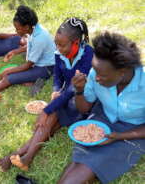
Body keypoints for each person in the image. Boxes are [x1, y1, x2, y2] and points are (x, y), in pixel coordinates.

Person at [0, 17, 93, 172]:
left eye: (62, 45)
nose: (58, 48)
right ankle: (24, 157)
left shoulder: (87, 54)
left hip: (82, 100)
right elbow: (57, 75)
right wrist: (55, 89)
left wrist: (46, 109)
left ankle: (21, 156)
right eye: (56, 43)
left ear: (75, 42)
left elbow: (72, 90)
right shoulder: (59, 52)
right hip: (65, 95)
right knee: (48, 123)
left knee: (50, 116)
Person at [58, 32, 145, 184]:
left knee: (93, 164)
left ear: (122, 72)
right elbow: (84, 109)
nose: (95, 77)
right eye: (95, 71)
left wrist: (118, 136)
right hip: (102, 119)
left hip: (133, 131)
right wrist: (79, 91)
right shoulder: (96, 73)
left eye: (102, 75)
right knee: (79, 159)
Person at [0, 6, 56, 94]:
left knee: (8, 78)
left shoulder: (40, 38)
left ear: (26, 27)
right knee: (14, 71)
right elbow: (31, 46)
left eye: (18, 29)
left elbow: (28, 65)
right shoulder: (35, 29)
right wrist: (15, 51)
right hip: (38, 63)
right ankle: (30, 80)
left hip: (45, 69)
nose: (16, 31)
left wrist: (7, 72)